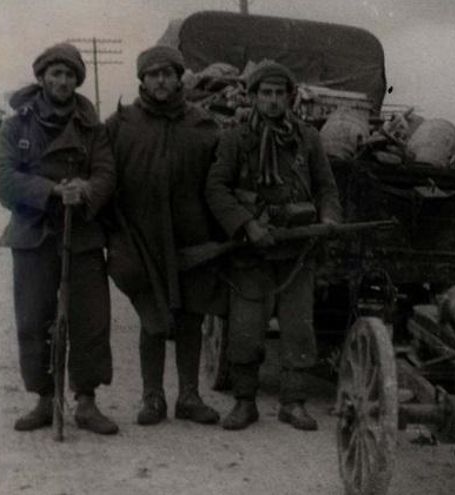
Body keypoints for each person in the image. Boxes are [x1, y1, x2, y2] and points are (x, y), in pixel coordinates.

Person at [206, 61, 341, 431]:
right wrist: (246, 225)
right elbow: (216, 188)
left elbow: (327, 187)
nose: (273, 101)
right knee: (246, 329)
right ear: (252, 96)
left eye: (280, 93)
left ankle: (293, 403)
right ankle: (245, 401)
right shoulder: (236, 139)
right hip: (252, 252)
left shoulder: (308, 138)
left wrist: (329, 219)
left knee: (299, 328)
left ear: (291, 97)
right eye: (265, 93)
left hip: (297, 253)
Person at [0, 43, 118, 435]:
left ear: (77, 81)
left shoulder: (91, 128)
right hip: (33, 235)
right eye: (56, 74)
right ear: (43, 77)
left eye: (69, 75)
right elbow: (3, 177)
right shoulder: (17, 125)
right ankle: (44, 399)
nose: (62, 81)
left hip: (80, 235)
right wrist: (50, 190)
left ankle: (87, 401)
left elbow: (107, 173)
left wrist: (85, 188)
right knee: (33, 319)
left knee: (91, 319)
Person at [105, 45, 224, 426]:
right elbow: (104, 176)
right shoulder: (121, 124)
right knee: (152, 316)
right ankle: (152, 397)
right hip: (141, 237)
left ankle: (188, 396)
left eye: (167, 73)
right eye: (153, 74)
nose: (160, 80)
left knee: (191, 315)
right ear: (142, 79)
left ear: (179, 78)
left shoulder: (203, 126)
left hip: (192, 237)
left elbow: (219, 182)